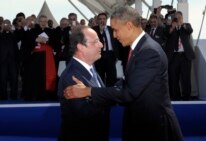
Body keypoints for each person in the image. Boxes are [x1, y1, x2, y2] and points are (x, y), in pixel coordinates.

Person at [64, 6, 183, 141]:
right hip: (141, 125)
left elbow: (129, 92)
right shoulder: (139, 49)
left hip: (154, 129)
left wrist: (88, 91)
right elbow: (125, 82)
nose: (114, 35)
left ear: (129, 25)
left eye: (116, 30)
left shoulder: (149, 52)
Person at [57, 25, 110, 141]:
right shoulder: (72, 76)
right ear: (80, 47)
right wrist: (109, 95)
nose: (101, 45)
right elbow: (85, 113)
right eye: (95, 42)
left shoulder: (91, 68)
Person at [166, 11, 195, 100]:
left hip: (185, 56)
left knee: (185, 77)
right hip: (174, 56)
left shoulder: (186, 25)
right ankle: (175, 96)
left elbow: (189, 30)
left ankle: (186, 97)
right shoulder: (170, 27)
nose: (177, 18)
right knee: (174, 77)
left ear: (182, 18)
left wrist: (181, 24)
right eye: (176, 17)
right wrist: (172, 27)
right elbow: (166, 34)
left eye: (179, 17)